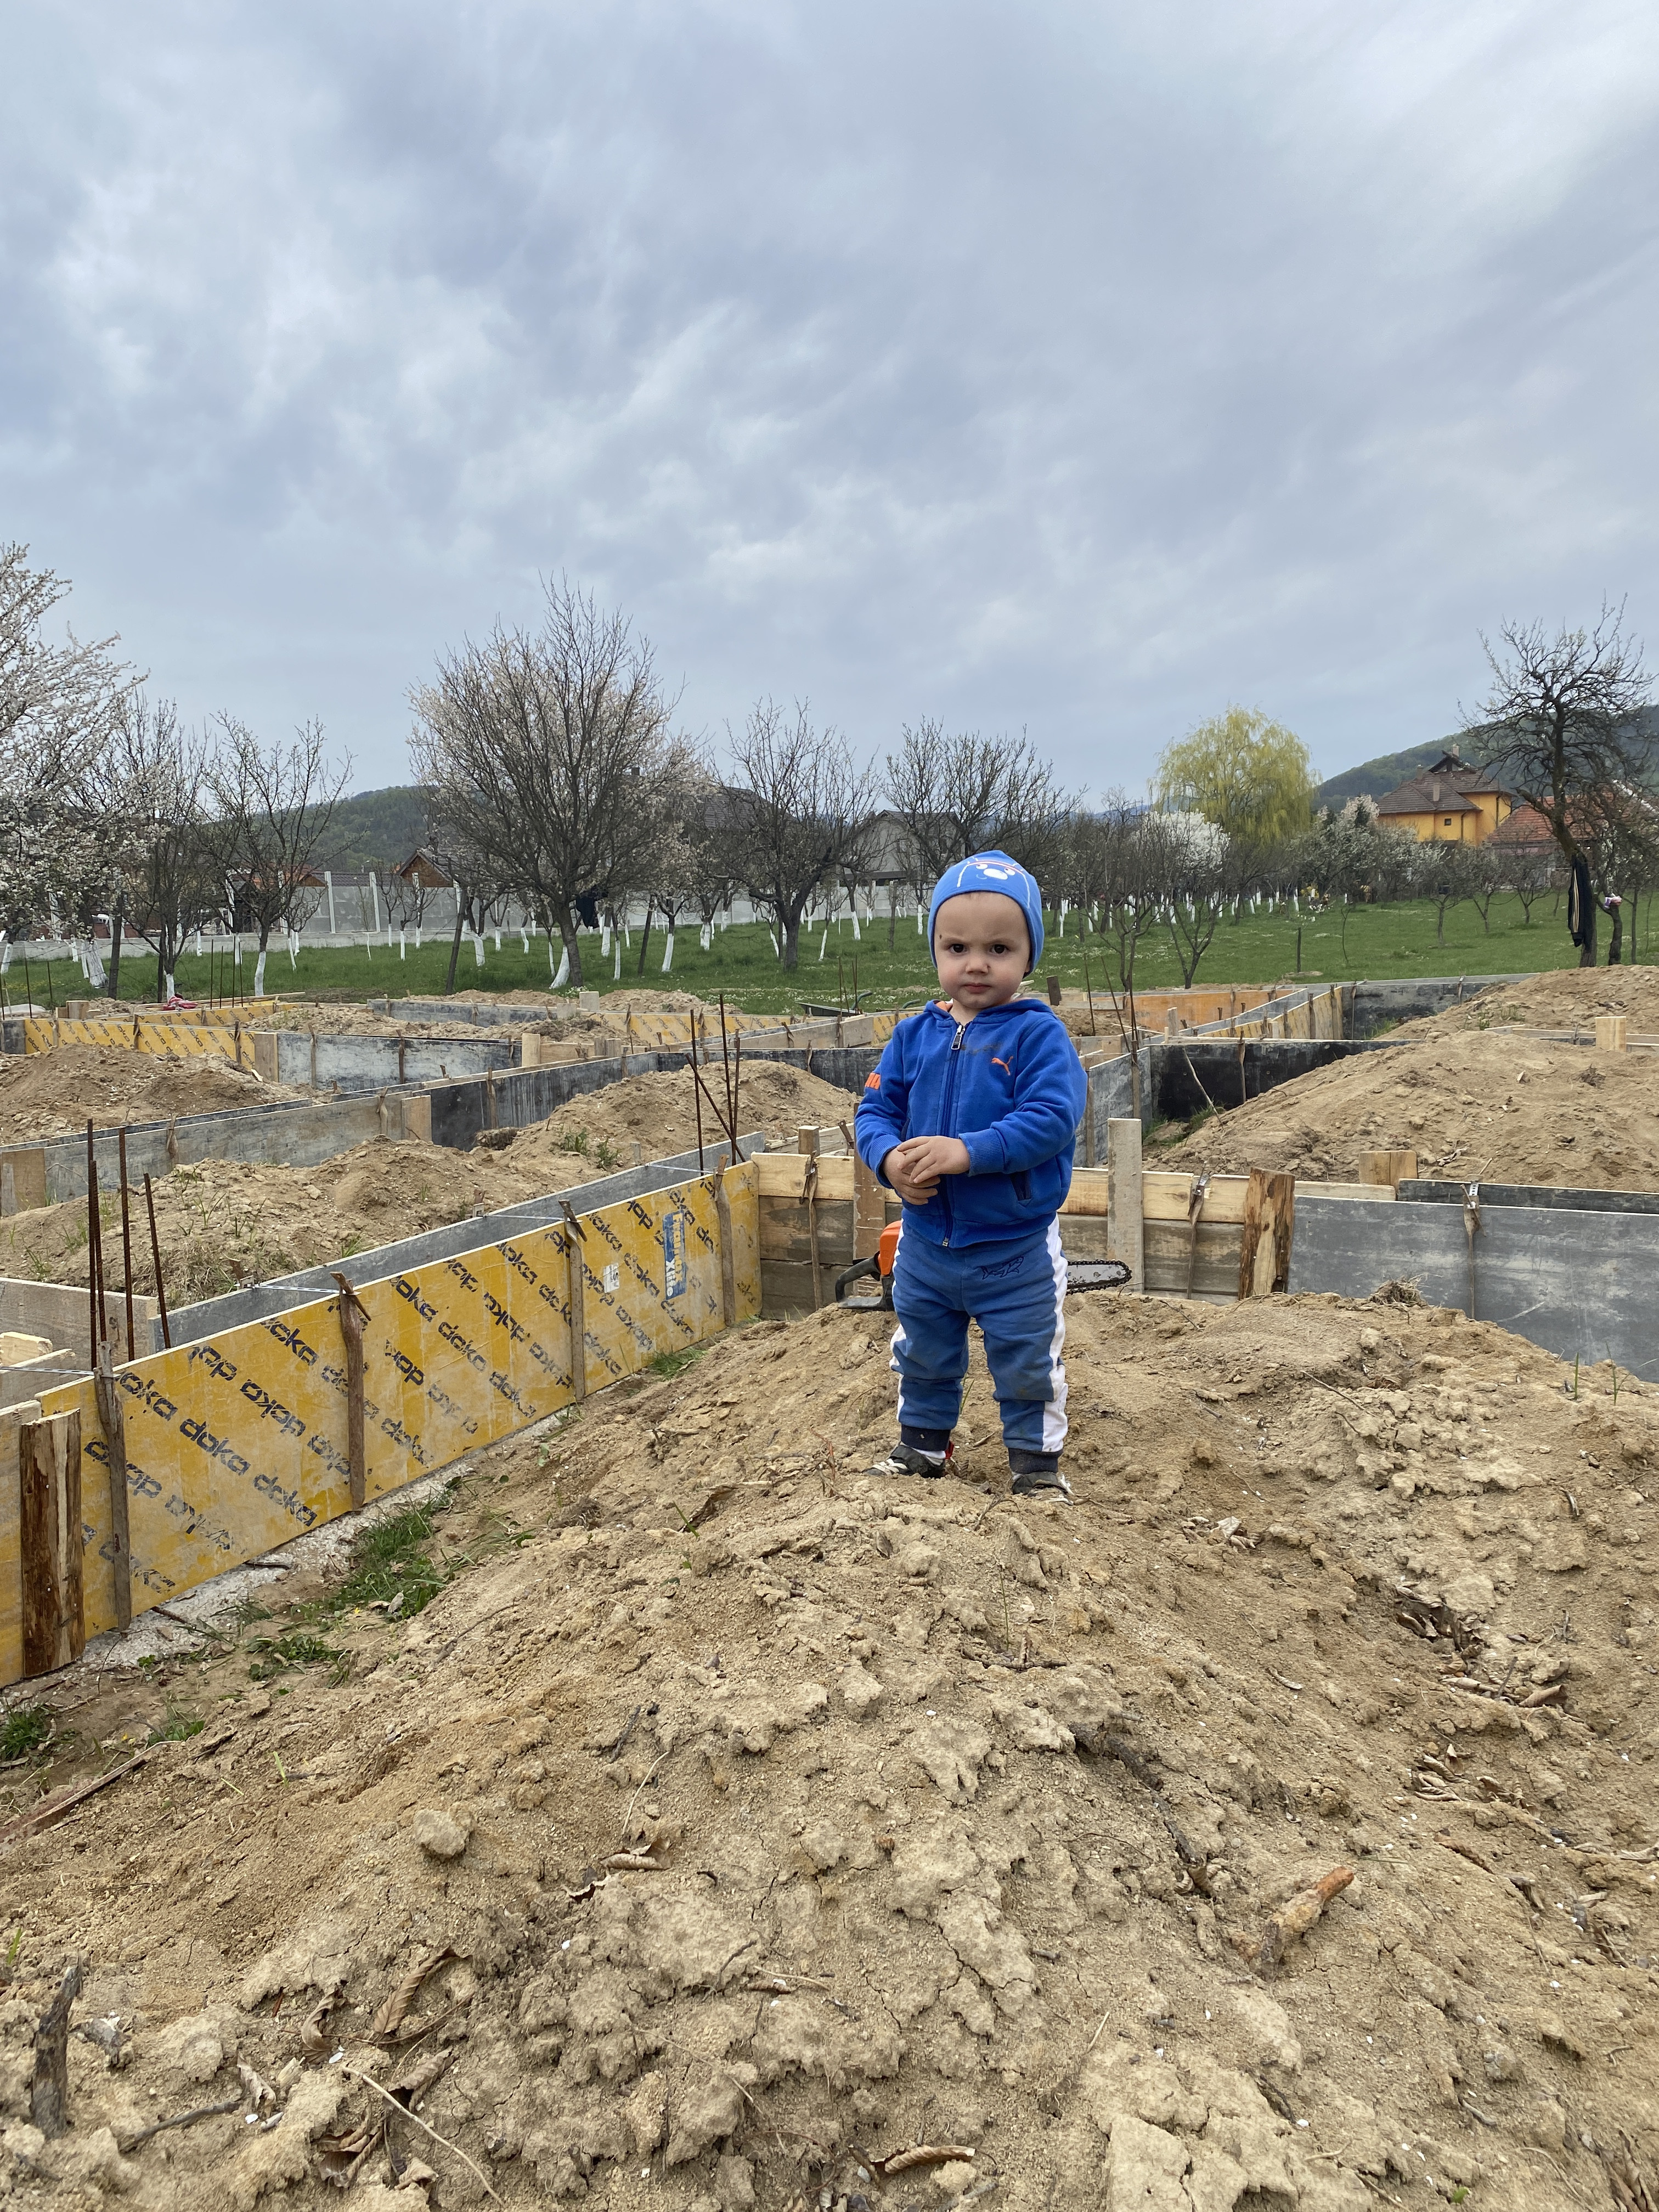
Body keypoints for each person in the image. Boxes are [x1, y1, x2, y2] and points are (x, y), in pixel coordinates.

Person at [854, 851, 1086, 1500]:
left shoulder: (1039, 1037)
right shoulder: (913, 1037)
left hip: (1014, 1248)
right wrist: (889, 1161)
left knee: (1026, 1356)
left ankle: (1035, 1466)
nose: (976, 964)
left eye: (999, 948)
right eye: (957, 947)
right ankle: (923, 1447)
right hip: (928, 1244)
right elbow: (874, 1112)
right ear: (936, 949)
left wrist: (968, 1152)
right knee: (923, 1350)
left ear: (1029, 956)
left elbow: (1052, 1119)